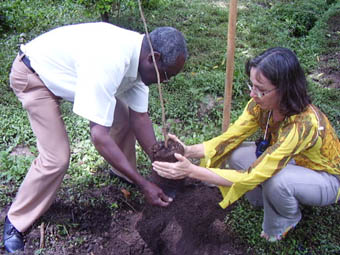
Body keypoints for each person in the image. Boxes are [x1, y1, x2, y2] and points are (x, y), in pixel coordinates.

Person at [3, 22, 188, 253]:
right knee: (56, 158)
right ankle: (15, 222)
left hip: (70, 74)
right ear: (153, 58)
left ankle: (122, 172)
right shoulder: (110, 60)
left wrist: (160, 165)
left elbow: (140, 118)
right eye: (166, 75)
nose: (165, 82)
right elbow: (99, 136)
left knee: (124, 116)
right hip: (35, 77)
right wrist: (143, 184)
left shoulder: (140, 56)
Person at [153, 47, 340, 242]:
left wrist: (190, 171)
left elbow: (251, 175)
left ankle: (287, 218)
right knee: (236, 154)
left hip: (325, 178)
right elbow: (228, 139)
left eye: (261, 90)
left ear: (285, 89)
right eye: (252, 85)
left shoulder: (303, 125)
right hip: (291, 161)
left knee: (278, 180)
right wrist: (188, 150)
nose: (253, 94)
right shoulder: (260, 105)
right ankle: (266, 199)